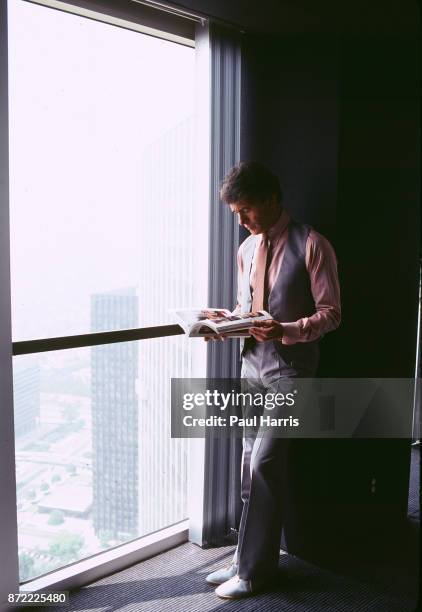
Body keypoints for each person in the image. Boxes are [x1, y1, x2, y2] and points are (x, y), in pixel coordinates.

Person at [205, 161, 341, 599]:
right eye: (236, 215)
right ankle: (249, 556)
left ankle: (255, 572)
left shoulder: (313, 244)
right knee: (249, 465)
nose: (242, 222)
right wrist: (226, 321)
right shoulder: (246, 249)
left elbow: (331, 314)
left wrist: (286, 329)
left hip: (292, 371)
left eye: (246, 211)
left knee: (264, 463)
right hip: (251, 366)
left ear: (270, 199)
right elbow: (248, 306)